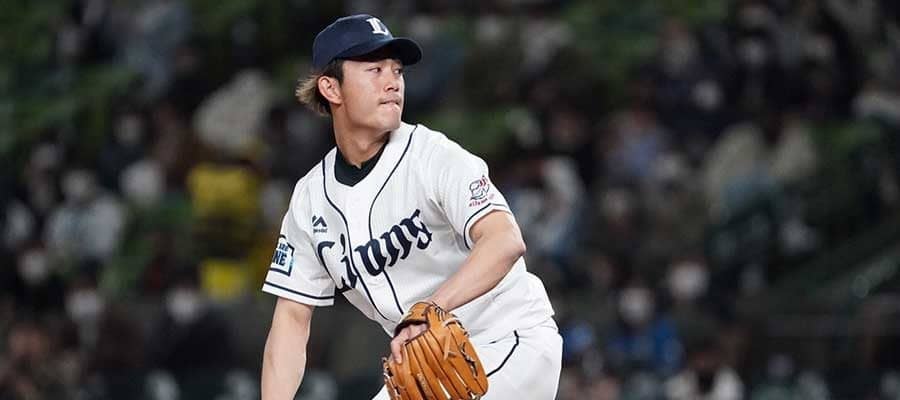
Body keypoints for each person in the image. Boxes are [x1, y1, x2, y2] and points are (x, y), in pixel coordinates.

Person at [260, 14, 561, 400]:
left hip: (509, 339)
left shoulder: (433, 157)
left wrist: (431, 309)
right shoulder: (310, 200)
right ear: (331, 88)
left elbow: (504, 239)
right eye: (375, 70)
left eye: (397, 70)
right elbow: (291, 318)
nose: (392, 82)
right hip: (428, 365)